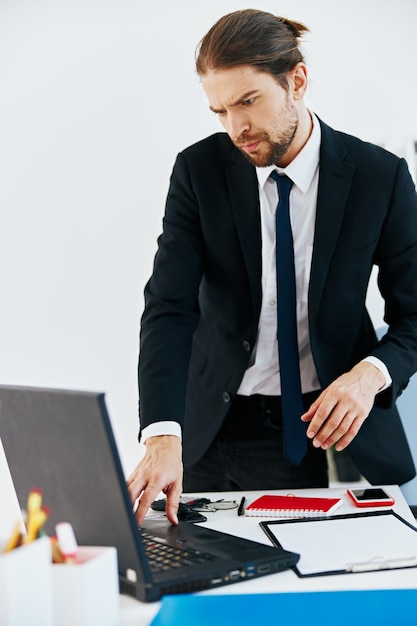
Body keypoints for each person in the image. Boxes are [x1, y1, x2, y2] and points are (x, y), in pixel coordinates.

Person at [127, 9, 417, 525]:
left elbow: (415, 315)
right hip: (203, 423)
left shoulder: (380, 178)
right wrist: (161, 432)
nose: (236, 128)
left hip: (307, 425)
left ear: (297, 81)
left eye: (247, 101)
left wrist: (369, 377)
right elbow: (169, 308)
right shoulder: (198, 172)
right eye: (219, 111)